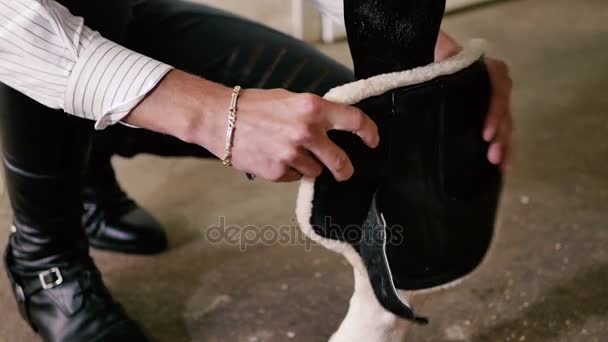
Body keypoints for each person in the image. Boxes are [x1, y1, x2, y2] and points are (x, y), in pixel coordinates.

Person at [0, 0, 513, 340]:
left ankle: (84, 166)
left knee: (357, 133)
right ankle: (44, 254)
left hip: (125, 11)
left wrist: (437, 67)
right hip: (22, 30)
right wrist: (215, 114)